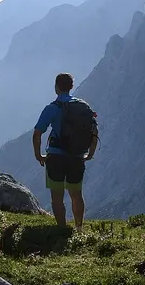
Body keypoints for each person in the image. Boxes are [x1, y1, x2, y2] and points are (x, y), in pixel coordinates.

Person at [32, 72, 99, 229]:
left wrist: (38, 155)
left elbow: (37, 134)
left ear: (56, 87)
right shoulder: (83, 106)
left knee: (57, 196)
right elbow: (94, 132)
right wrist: (90, 153)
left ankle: (62, 229)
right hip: (77, 156)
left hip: (56, 156)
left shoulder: (52, 108)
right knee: (76, 194)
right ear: (71, 87)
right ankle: (79, 228)